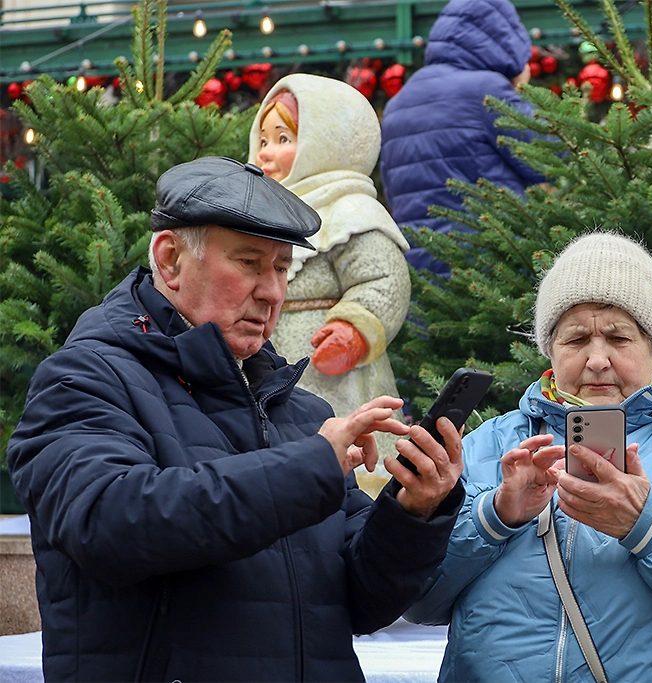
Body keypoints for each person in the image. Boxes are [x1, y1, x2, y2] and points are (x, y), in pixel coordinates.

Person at [6, 156, 465, 682]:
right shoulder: (82, 378)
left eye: (281, 268)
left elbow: (364, 602)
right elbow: (111, 524)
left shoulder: (301, 411)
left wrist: (413, 508)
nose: (272, 292)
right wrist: (312, 464)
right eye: (249, 263)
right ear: (171, 259)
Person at [405, 232, 652, 682]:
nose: (597, 359)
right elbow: (415, 598)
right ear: (551, 350)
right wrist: (495, 516)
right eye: (576, 339)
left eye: (619, 338)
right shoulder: (492, 445)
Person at [250, 74, 411, 496]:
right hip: (268, 365)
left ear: (329, 142)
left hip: (335, 378)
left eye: (282, 138)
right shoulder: (258, 214)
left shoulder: (351, 212)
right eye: (263, 140)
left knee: (346, 457)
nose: (266, 153)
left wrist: (353, 330)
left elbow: (383, 279)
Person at [379, 0, 547, 273]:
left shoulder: (398, 103)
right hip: (488, 264)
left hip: (420, 266)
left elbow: (391, 188)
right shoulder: (486, 89)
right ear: (506, 44)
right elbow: (546, 157)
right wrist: (522, 91)